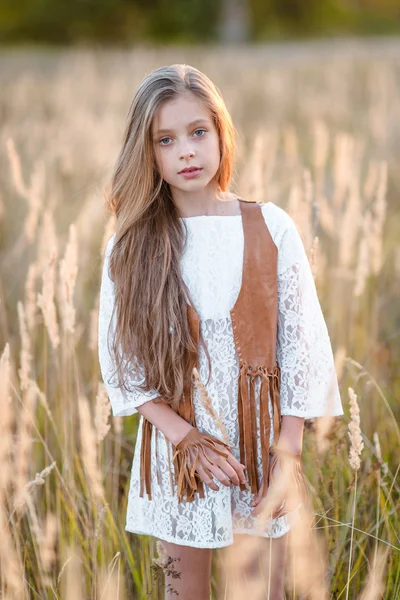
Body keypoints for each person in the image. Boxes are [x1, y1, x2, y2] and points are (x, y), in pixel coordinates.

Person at [97, 63, 344, 599]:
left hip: (261, 448)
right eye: (166, 139)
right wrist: (187, 441)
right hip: (177, 451)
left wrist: (288, 451)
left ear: (221, 133)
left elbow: (302, 346)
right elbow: (124, 368)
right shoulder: (131, 246)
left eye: (198, 132)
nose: (186, 151)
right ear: (148, 152)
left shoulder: (271, 226)